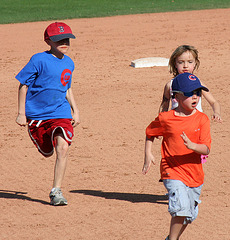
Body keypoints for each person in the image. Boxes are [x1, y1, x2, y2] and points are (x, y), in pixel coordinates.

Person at [15, 22, 80, 206]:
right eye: (59, 39)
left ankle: (56, 191)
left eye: (67, 39)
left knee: (63, 147)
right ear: (48, 41)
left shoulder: (69, 63)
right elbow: (23, 85)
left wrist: (76, 111)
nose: (64, 42)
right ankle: (46, 142)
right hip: (37, 116)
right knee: (48, 151)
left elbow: (67, 88)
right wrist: (21, 113)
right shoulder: (38, 60)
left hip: (60, 112)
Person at [142, 72, 211, 240]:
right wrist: (148, 153)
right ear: (177, 97)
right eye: (189, 93)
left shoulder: (202, 119)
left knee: (188, 216)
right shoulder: (166, 118)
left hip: (194, 174)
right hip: (172, 171)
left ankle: (170, 238)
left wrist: (193, 146)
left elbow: (207, 149)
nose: (195, 97)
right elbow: (150, 132)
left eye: (198, 93)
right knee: (180, 209)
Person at [159, 45, 222, 123]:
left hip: (196, 122)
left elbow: (214, 102)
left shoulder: (198, 84)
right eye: (181, 62)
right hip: (176, 122)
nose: (185, 66)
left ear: (195, 63)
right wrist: (160, 122)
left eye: (190, 62)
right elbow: (164, 105)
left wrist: (217, 113)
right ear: (175, 64)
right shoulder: (170, 85)